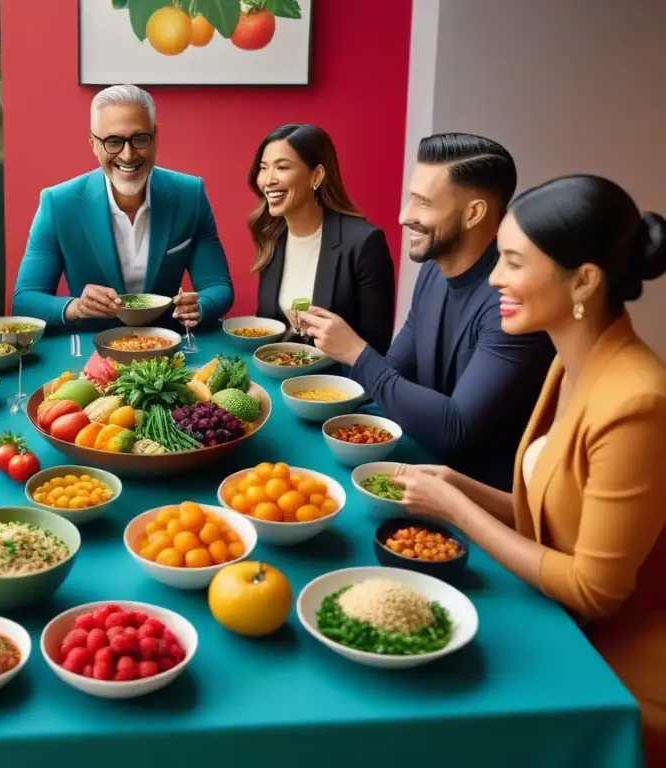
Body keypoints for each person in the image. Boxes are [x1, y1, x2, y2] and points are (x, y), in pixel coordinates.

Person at [392, 175, 666, 764]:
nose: (493, 278)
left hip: (609, 660)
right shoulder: (569, 363)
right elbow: (556, 513)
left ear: (584, 281)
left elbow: (597, 590)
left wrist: (456, 508)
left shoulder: (639, 400)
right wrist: (455, 483)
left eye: (513, 262)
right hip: (550, 611)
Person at [299, 133, 555, 490]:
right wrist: (332, 348)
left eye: (424, 203)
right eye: (410, 199)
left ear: (474, 213)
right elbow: (393, 374)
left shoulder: (512, 302)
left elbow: (456, 429)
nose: (405, 216)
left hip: (481, 500)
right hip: (422, 466)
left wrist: (355, 351)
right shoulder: (433, 270)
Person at [11, 84, 234, 329]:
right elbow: (25, 300)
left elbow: (219, 286)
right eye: (113, 141)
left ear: (155, 138)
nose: (128, 155)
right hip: (89, 352)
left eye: (139, 139)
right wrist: (76, 307)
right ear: (93, 145)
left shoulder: (190, 194)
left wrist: (200, 306)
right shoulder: (58, 203)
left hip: (168, 346)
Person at [250, 123, 395, 354]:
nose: (268, 180)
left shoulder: (364, 242)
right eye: (263, 168)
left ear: (316, 176)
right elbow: (268, 325)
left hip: (337, 383)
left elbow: (376, 345)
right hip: (279, 376)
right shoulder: (272, 238)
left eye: (282, 167)